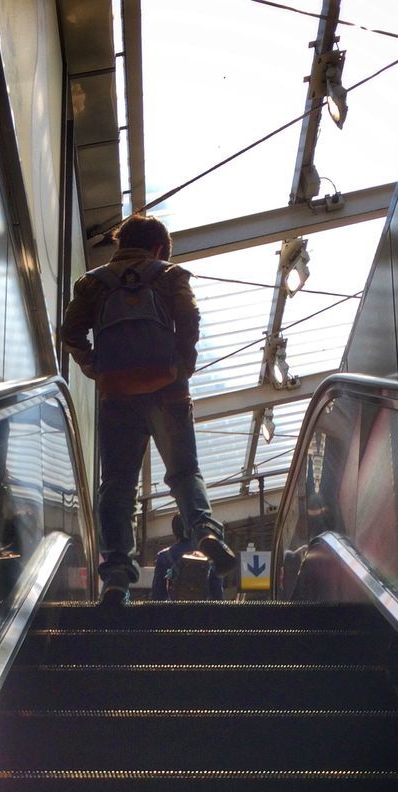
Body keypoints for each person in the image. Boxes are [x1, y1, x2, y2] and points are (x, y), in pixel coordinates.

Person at [60, 212, 237, 604]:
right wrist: (183, 366)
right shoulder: (170, 274)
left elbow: (70, 332)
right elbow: (189, 317)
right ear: (159, 248)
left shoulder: (91, 282)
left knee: (118, 487)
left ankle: (118, 577)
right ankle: (206, 531)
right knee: (184, 472)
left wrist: (96, 369)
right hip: (168, 391)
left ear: (122, 244)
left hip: (117, 395)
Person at [151, 513, 225, 600]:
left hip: (174, 611)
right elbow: (217, 592)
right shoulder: (210, 555)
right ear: (194, 529)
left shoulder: (164, 557)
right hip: (203, 611)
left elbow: (158, 594)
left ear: (174, 531)